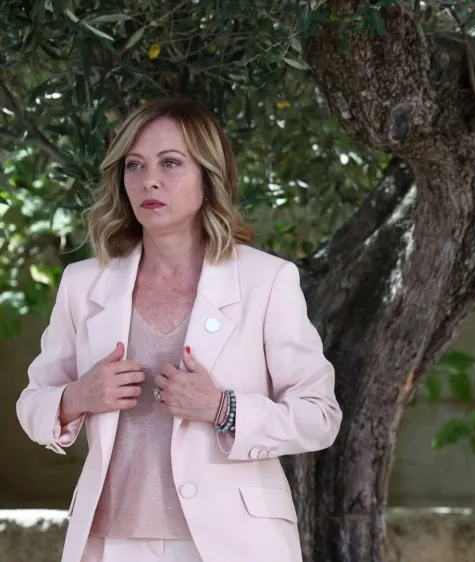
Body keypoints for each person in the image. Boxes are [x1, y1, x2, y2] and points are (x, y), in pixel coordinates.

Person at [15, 98, 343, 562]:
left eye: (170, 162)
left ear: (209, 176)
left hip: (233, 543)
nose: (149, 179)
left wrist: (224, 409)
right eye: (135, 165)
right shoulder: (83, 283)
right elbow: (32, 404)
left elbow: (319, 415)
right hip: (111, 544)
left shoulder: (267, 280)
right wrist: (75, 399)